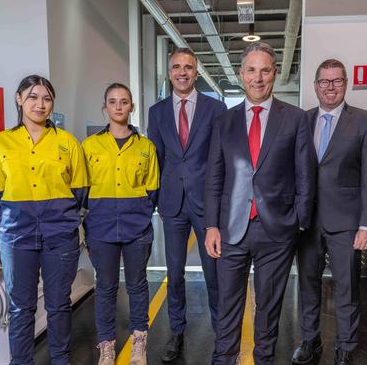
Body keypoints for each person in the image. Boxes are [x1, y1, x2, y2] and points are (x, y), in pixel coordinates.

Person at [204, 41, 317, 365]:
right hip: (230, 229)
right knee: (227, 308)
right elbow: (214, 178)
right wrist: (212, 225)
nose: (258, 77)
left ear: (275, 74)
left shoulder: (295, 119)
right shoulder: (224, 122)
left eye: (265, 70)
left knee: (268, 310)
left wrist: (298, 222)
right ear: (241, 75)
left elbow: (305, 176)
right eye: (251, 70)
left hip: (277, 232)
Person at [0, 75, 88, 365]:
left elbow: (79, 190)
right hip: (17, 235)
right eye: (32, 97)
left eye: (46, 98)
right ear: (19, 99)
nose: (40, 104)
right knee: (20, 307)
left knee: (58, 305)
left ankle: (60, 360)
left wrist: (56, 216)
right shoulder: (1, 143)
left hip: (60, 234)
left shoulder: (67, 143)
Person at [292, 59, 367, 365]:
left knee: (346, 287)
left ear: (346, 84)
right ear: (316, 86)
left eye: (336, 81)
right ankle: (310, 341)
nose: (330, 87)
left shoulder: (364, 120)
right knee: (307, 284)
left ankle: (345, 345)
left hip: (346, 222)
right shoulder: (301, 121)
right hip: (306, 222)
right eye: (324, 82)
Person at [147, 47, 227, 362]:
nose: (182, 72)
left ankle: (223, 332)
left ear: (196, 72)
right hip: (172, 205)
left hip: (206, 203)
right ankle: (176, 331)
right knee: (175, 273)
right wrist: (155, 201)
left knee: (213, 272)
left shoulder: (216, 108)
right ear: (170, 72)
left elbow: (219, 159)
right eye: (177, 67)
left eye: (188, 67)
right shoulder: (157, 112)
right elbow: (157, 159)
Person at [82, 83, 159, 365]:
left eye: (124, 101)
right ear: (105, 107)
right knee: (106, 286)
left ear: (131, 107)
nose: (118, 106)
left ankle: (139, 340)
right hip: (101, 227)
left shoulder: (145, 147)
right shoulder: (89, 146)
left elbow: (152, 190)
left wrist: (137, 212)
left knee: (138, 285)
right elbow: (82, 189)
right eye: (113, 101)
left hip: (136, 227)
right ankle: (107, 345)